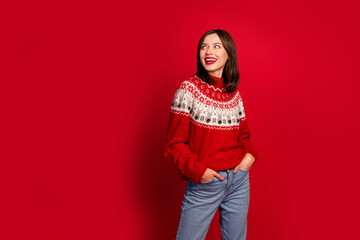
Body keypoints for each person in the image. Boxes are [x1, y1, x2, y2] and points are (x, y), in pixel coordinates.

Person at [164, 29, 258, 240]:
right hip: (206, 182)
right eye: (204, 46)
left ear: (228, 55)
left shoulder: (234, 94)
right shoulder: (188, 90)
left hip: (238, 180)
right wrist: (199, 171)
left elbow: (244, 137)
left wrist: (250, 157)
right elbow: (174, 144)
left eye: (217, 46)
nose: (208, 51)